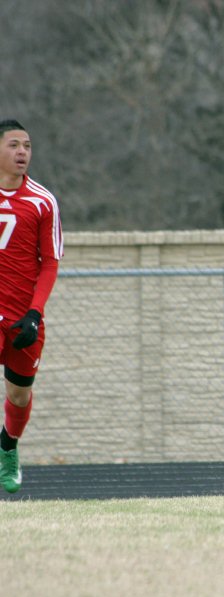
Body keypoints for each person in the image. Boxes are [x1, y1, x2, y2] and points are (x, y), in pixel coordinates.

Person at [0, 120, 64, 494]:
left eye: (27, 146)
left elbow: (50, 263)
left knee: (18, 395)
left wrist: (35, 313)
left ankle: (8, 445)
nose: (22, 152)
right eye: (13, 145)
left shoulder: (43, 201)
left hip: (23, 318)